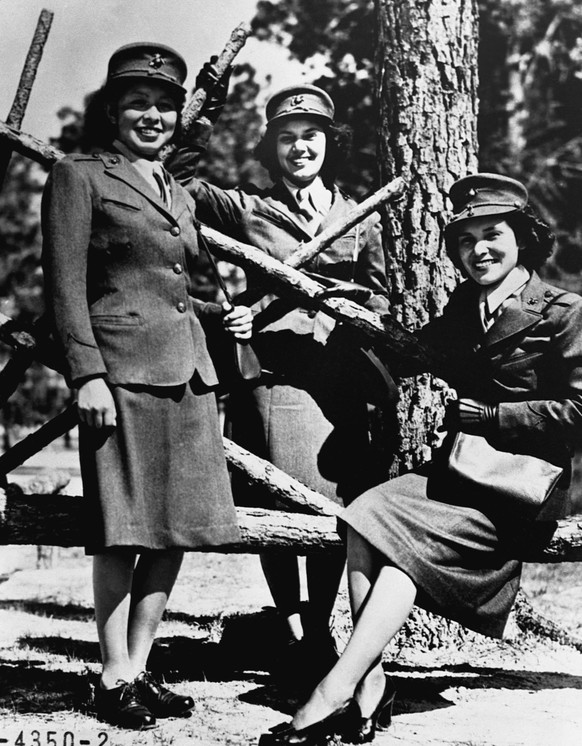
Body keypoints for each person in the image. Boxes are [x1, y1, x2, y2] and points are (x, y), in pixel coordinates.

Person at [258, 173, 582, 745]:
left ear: (523, 238)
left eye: (492, 234)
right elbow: (417, 353)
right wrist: (347, 311)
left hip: (519, 489)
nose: (478, 249)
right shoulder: (467, 303)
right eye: (465, 240)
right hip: (459, 472)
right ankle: (370, 683)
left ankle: (333, 692)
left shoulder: (563, 311)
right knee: (363, 515)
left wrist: (494, 418)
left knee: (404, 553)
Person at [41, 42, 253, 730]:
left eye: (165, 104)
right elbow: (65, 287)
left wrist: (230, 317)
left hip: (190, 374)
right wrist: (87, 375)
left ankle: (139, 665)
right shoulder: (80, 177)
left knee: (174, 531)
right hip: (121, 375)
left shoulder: (176, 187)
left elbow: (176, 291)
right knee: (122, 529)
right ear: (113, 110)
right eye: (139, 102)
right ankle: (111, 676)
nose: (154, 115)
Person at [168, 82, 393, 685]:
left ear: (329, 143)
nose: (300, 148)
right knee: (278, 503)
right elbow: (178, 179)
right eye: (287, 138)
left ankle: (315, 628)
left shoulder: (358, 215)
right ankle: (295, 627)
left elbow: (382, 295)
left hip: (338, 384)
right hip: (272, 381)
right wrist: (206, 108)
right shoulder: (249, 209)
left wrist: (352, 305)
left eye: (311, 136)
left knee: (328, 508)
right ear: (273, 148)